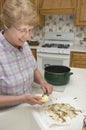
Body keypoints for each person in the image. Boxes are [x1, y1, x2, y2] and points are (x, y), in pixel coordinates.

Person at [0, 0, 53, 109]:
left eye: (30, 30)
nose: (27, 36)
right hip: (6, 115)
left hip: (27, 109)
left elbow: (32, 68)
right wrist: (22, 99)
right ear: (6, 25)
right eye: (22, 30)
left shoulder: (24, 44)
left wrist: (43, 82)